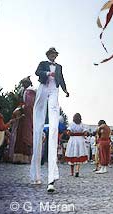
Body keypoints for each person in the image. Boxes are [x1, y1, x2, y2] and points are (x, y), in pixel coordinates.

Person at [30, 47, 69, 192]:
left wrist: (65, 90)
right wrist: (47, 73)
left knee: (53, 114)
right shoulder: (43, 63)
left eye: (55, 55)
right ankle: (36, 175)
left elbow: (62, 79)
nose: (53, 56)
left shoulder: (59, 67)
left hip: (54, 89)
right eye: (51, 54)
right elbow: (37, 73)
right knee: (39, 113)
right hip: (43, 87)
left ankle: (51, 177)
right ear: (48, 55)